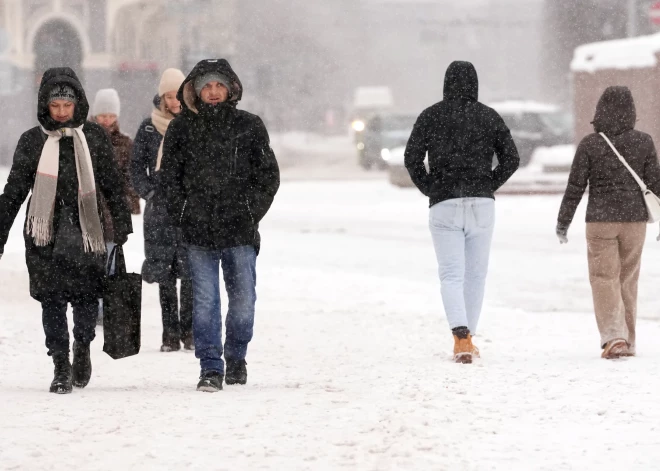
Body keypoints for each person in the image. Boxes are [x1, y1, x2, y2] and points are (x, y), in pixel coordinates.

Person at [0, 68, 132, 393]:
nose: (61, 112)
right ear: (45, 105)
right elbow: (15, 189)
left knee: (87, 299)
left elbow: (113, 184)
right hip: (45, 234)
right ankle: (60, 363)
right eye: (55, 105)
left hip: (87, 230)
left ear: (77, 104)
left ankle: (82, 348)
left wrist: (122, 226)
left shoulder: (95, 138)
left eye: (66, 105)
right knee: (52, 301)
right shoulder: (33, 141)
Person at [160, 59, 280, 392]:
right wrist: (183, 212)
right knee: (206, 303)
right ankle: (210, 366)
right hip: (198, 232)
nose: (213, 92)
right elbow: (169, 179)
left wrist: (249, 210)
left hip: (239, 231)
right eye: (206, 87)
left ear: (230, 88)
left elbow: (268, 176)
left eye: (219, 85)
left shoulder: (249, 125)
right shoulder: (181, 128)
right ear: (195, 91)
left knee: (243, 303)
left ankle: (237, 355)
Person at [404, 61, 519, 364]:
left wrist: (430, 187)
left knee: (451, 275)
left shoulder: (431, 116)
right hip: (482, 204)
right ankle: (469, 338)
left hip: (445, 204)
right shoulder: (489, 116)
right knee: (476, 276)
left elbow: (411, 158)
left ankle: (460, 336)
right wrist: (488, 183)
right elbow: (512, 158)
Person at [557, 86, 660, 359]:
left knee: (604, 278)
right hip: (634, 221)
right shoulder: (644, 142)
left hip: (601, 220)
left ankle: (615, 337)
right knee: (628, 279)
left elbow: (575, 187)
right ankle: (629, 340)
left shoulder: (590, 144)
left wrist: (563, 222)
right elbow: (656, 184)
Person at [131, 68, 193, 352]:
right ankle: (170, 334)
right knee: (165, 274)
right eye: (169, 96)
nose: (174, 101)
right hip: (159, 211)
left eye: (177, 95)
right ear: (162, 97)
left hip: (190, 207)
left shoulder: (195, 122)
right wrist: (149, 193)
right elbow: (136, 167)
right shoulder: (148, 128)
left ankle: (189, 331)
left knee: (191, 272)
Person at [91, 88, 140, 325]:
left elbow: (129, 177)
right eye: (102, 115)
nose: (107, 120)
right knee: (91, 261)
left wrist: (129, 204)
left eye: (111, 115)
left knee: (110, 260)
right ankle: (93, 306)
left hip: (112, 212)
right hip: (89, 209)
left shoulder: (125, 143)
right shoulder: (85, 139)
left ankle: (105, 307)